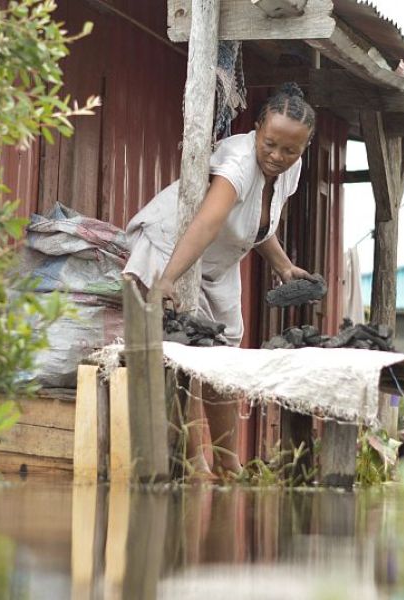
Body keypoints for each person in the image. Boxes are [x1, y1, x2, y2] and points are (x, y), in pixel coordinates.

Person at [122, 83, 316, 478]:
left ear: (303, 148)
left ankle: (229, 464)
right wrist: (167, 279)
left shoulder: (289, 170)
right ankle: (194, 463)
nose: (277, 156)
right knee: (186, 352)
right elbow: (208, 222)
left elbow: (254, 223)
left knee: (223, 361)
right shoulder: (238, 163)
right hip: (173, 248)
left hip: (218, 264)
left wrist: (283, 266)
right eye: (270, 144)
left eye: (290, 150)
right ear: (257, 129)